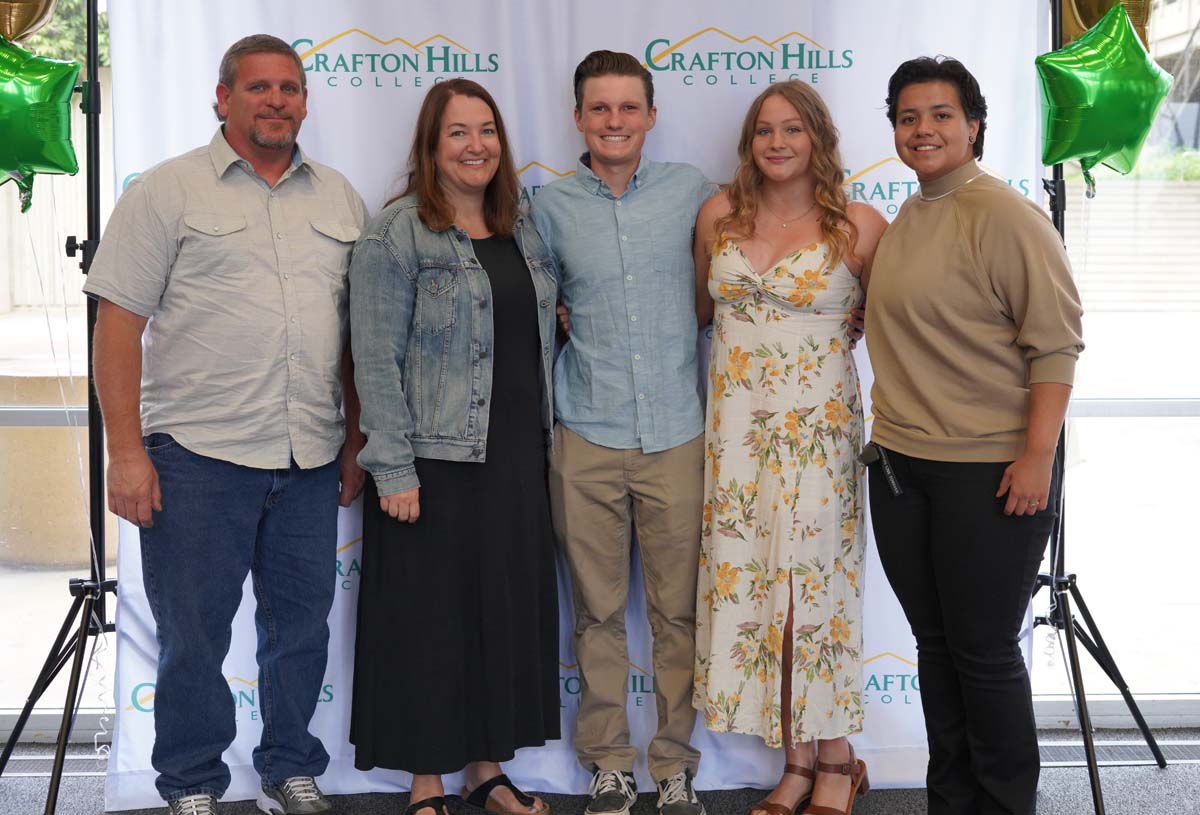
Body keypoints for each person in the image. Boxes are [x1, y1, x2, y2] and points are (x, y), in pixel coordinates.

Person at [85, 34, 367, 815]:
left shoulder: (339, 198)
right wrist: (126, 451)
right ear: (223, 98)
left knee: (301, 632)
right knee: (195, 639)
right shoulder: (167, 191)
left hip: (309, 455)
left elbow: (353, 334)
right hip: (196, 457)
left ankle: (287, 766)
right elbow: (117, 324)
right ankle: (192, 782)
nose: (276, 100)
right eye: (258, 88)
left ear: (305, 101)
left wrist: (354, 441)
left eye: (289, 88)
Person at [865, 57, 1084, 815]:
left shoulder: (1006, 215)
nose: (923, 129)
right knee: (935, 647)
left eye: (940, 115)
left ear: (974, 125)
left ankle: (1002, 803)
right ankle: (951, 801)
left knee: (985, 653)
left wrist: (1037, 459)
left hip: (991, 470)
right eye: (907, 117)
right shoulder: (912, 212)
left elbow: (1055, 346)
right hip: (901, 467)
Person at [347, 78, 560, 815]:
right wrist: (393, 465)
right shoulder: (396, 231)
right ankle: (426, 780)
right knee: (427, 623)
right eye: (459, 133)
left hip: (514, 457)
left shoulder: (522, 226)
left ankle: (484, 767)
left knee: (494, 616)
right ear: (432, 148)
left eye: (487, 131)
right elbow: (373, 357)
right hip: (432, 461)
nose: (477, 146)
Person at [530, 50, 718, 815]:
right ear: (578, 116)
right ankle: (609, 761)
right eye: (599, 109)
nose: (614, 122)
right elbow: (534, 306)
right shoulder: (546, 206)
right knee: (598, 611)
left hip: (676, 432)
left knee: (678, 612)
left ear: (650, 114)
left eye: (628, 108)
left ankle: (672, 763)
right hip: (586, 434)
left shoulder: (694, 195)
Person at [691, 81, 886, 815]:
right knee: (757, 589)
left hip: (821, 434)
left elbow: (898, 322)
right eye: (764, 130)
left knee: (817, 593)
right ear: (750, 143)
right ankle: (796, 760)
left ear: (818, 140)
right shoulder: (718, 216)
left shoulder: (860, 226)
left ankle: (836, 756)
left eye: (793, 129)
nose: (777, 142)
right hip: (736, 434)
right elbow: (698, 313)